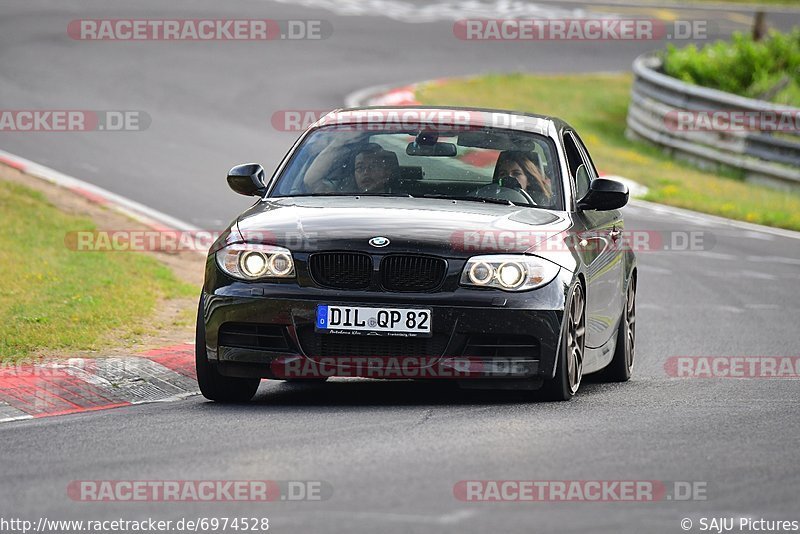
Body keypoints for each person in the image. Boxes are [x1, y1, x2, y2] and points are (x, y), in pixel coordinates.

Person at [303, 139, 398, 194]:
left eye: (373, 167)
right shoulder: (338, 199)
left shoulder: (403, 201)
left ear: (387, 172)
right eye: (360, 168)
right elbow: (311, 180)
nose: (366, 172)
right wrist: (339, 142)